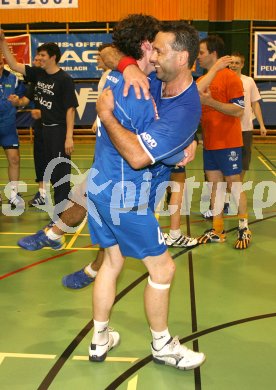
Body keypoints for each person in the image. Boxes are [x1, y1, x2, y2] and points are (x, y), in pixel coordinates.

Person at [86, 16, 205, 369]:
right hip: (125, 197)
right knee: (163, 269)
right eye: (150, 48)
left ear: (181, 58)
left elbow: (150, 148)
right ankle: (162, 345)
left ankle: (99, 337)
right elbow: (138, 157)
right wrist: (107, 112)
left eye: (160, 50)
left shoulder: (183, 107)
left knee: (112, 261)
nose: (153, 57)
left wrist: (187, 142)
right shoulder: (148, 79)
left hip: (100, 187)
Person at [0, 32, 78, 221]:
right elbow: (13, 64)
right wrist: (2, 41)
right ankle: (56, 208)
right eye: (38, 55)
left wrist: (69, 136)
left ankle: (61, 214)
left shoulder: (64, 79)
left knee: (60, 172)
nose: (39, 58)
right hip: (44, 130)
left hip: (59, 130)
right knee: (48, 170)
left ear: (53, 57)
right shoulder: (38, 74)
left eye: (43, 55)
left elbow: (70, 110)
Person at [196, 35, 252, 250]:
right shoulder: (201, 81)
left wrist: (210, 101)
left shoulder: (231, 78)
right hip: (210, 143)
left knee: (233, 184)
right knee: (214, 186)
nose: (198, 57)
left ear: (213, 54)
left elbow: (238, 110)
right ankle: (217, 230)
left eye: (201, 53)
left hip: (228, 142)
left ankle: (244, 227)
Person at [8, 53, 48, 207]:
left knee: (57, 162)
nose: (34, 62)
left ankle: (61, 196)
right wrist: (17, 102)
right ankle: (42, 194)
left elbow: (66, 108)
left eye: (38, 59)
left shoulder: (58, 79)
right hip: (39, 126)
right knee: (40, 160)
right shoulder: (34, 82)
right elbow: (25, 100)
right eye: (35, 59)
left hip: (55, 127)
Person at [229, 52, 267, 181]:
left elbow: (255, 104)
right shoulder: (222, 80)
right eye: (232, 62)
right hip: (227, 129)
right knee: (228, 160)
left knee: (244, 161)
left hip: (245, 128)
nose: (234, 65)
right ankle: (227, 190)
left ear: (242, 65)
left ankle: (236, 188)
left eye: (237, 63)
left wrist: (261, 125)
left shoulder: (249, 81)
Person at [0, 52, 25, 209]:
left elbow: (22, 99)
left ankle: (14, 195)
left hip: (8, 127)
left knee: (14, 159)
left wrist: (18, 102)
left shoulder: (13, 78)